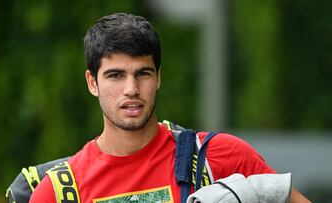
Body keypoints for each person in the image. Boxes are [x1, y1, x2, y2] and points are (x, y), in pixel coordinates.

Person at [29, 13, 310, 203]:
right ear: (92, 82)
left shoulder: (220, 157)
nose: (131, 89)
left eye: (143, 73)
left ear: (158, 77)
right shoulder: (58, 191)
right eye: (115, 75)